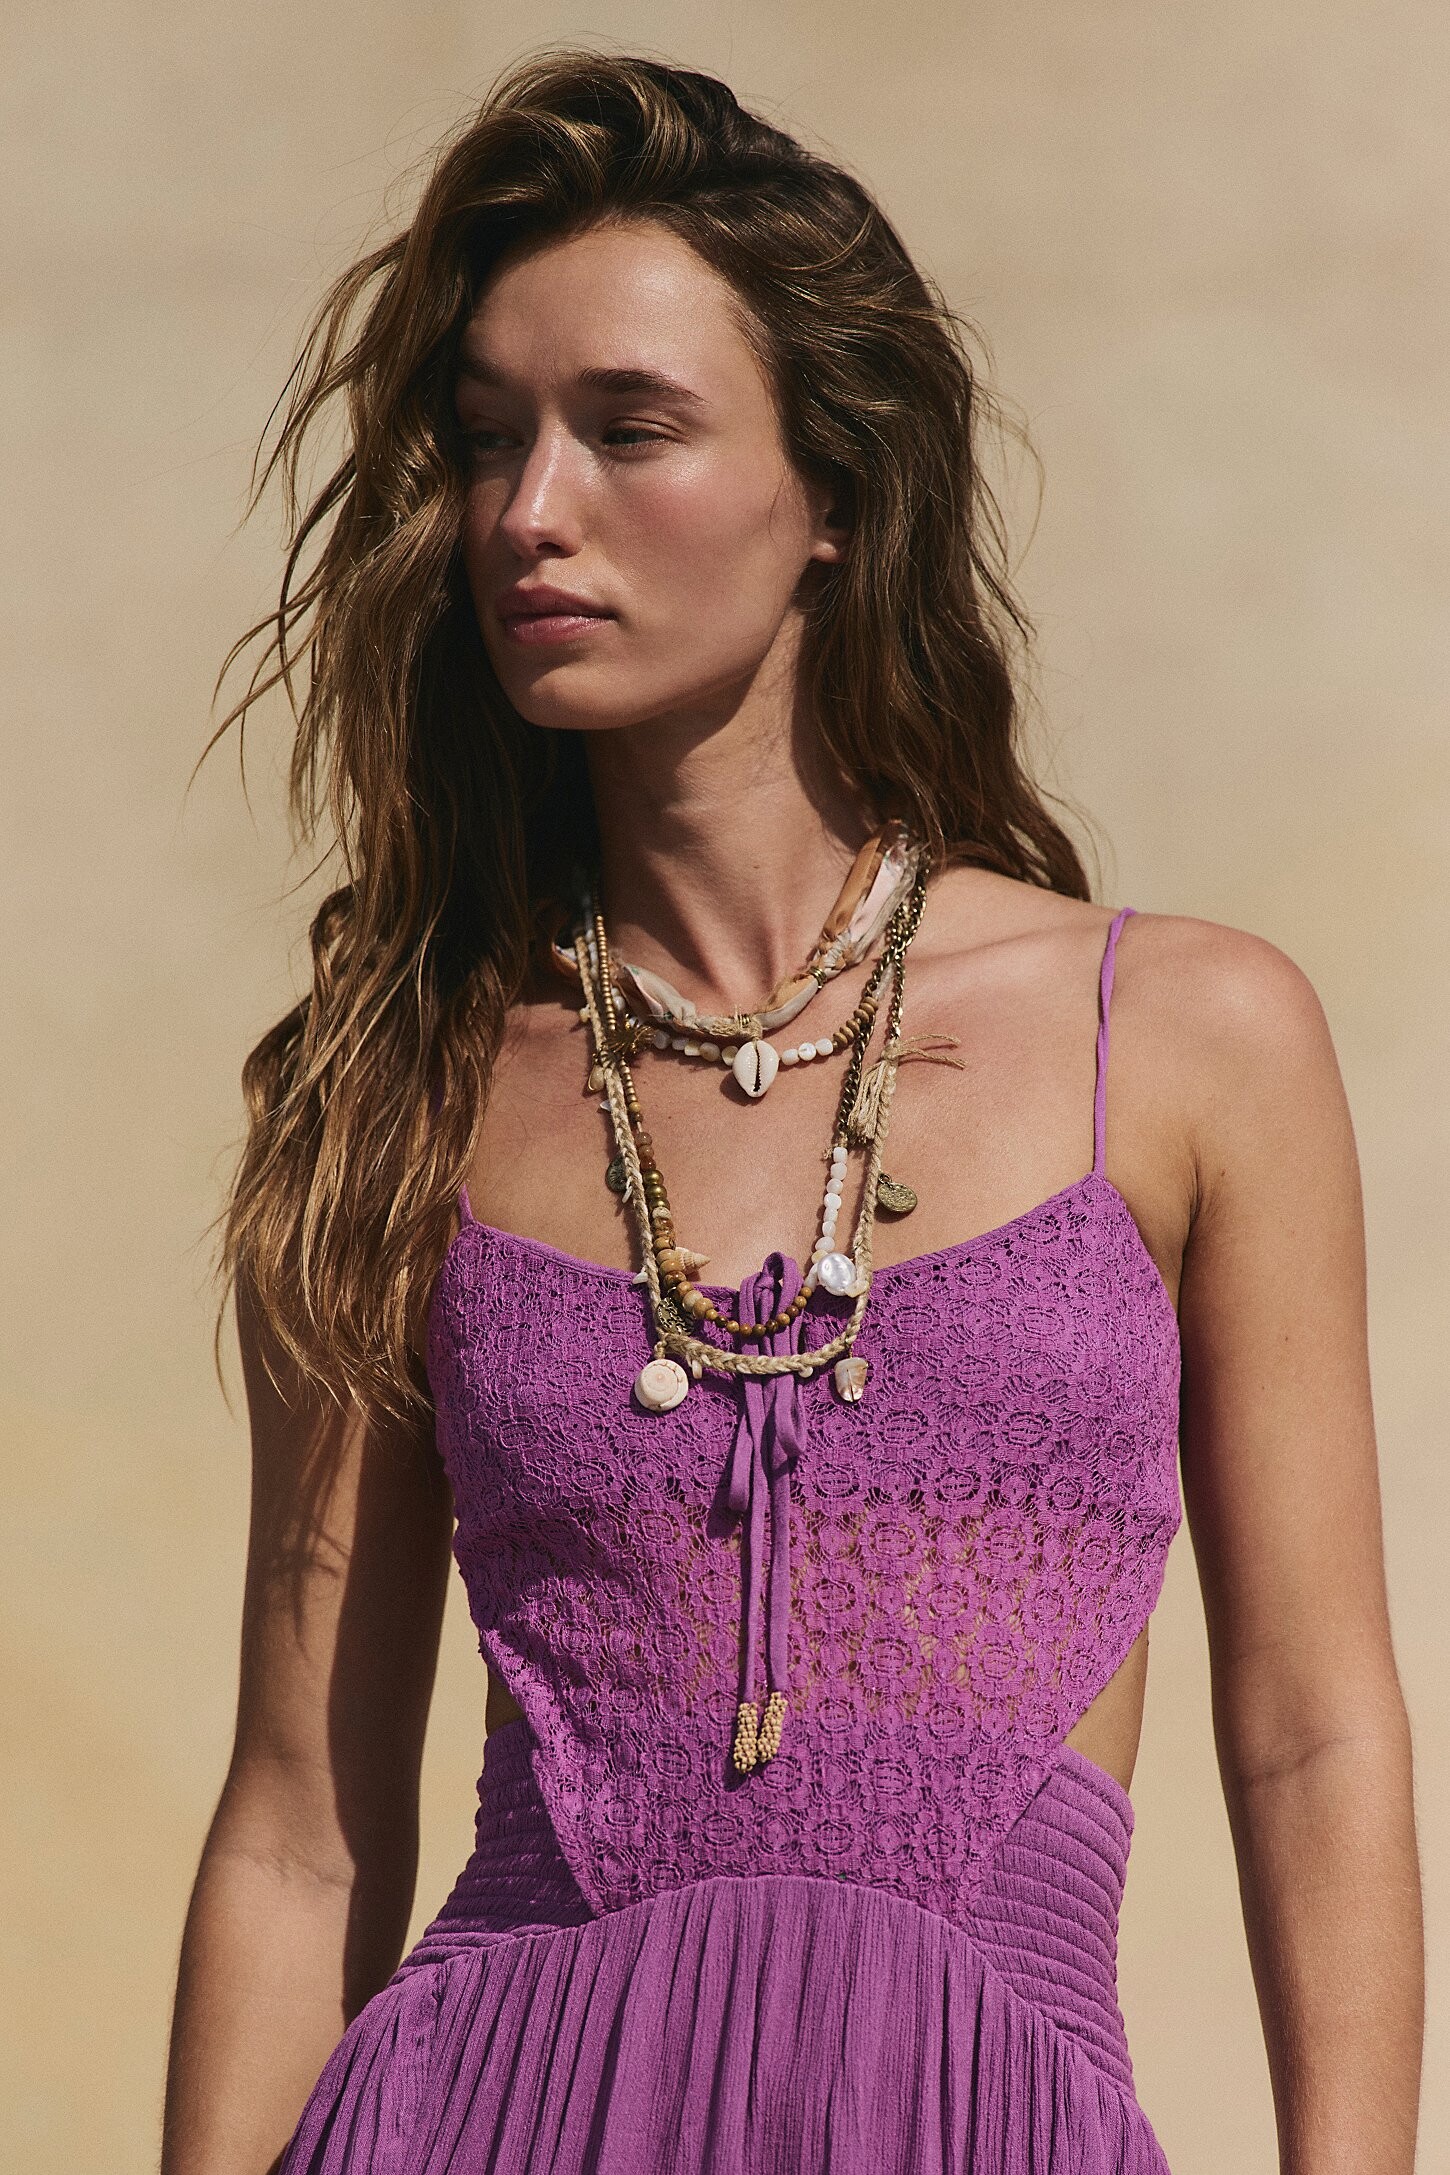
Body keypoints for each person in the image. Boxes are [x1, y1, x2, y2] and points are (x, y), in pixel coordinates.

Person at [160, 49, 1423, 2175]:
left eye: (626, 426)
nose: (527, 511)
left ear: (832, 490)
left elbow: (1311, 1732)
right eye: (488, 437)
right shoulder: (395, 1087)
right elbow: (300, 1830)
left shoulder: (1188, 1037)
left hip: (970, 2116)